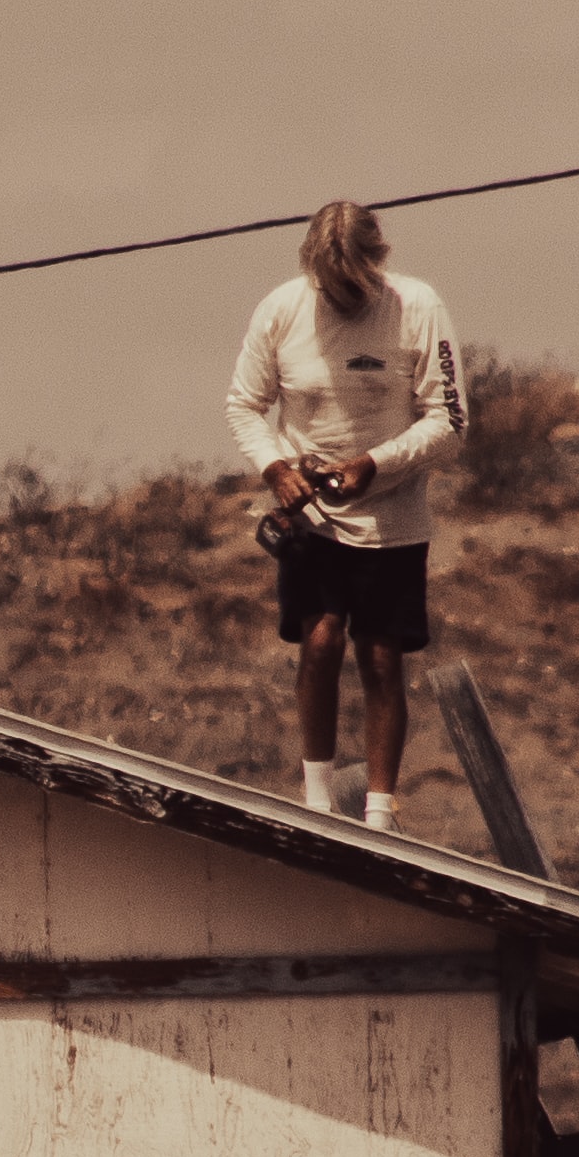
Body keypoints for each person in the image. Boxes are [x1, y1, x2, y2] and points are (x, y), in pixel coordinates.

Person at [221, 199, 466, 827]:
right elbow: (244, 405)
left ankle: (380, 811)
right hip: (314, 516)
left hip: (394, 516)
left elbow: (450, 421)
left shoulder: (418, 306)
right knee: (321, 639)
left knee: (382, 656)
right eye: (333, 288)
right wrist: (279, 470)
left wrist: (375, 465)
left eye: (355, 287)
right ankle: (317, 800)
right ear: (313, 272)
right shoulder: (282, 310)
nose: (345, 299)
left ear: (376, 265)